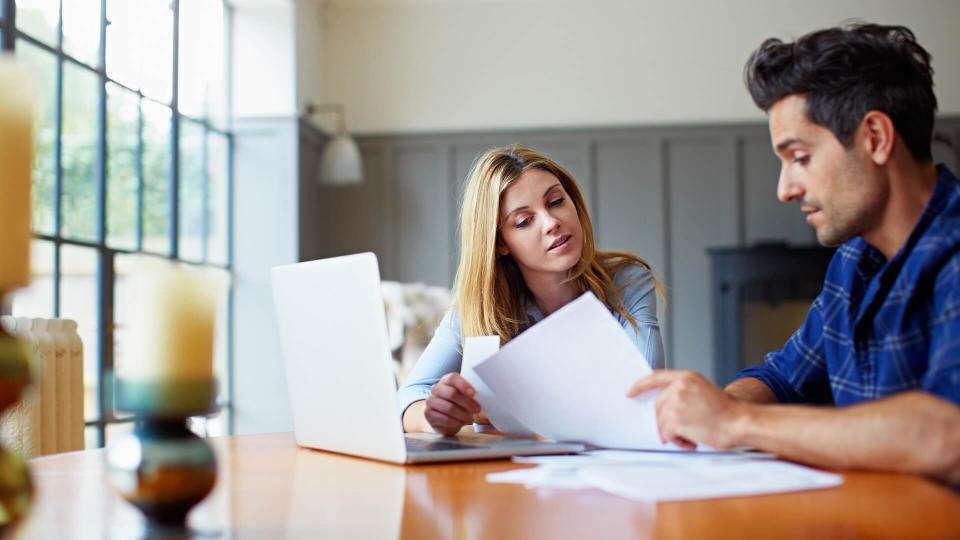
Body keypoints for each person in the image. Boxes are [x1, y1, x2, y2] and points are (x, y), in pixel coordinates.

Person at [627, 23, 960, 484]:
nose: (785, 189)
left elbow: (947, 434)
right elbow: (784, 377)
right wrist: (714, 409)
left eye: (800, 157)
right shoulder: (854, 260)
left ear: (876, 138)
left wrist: (735, 422)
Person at [399, 144, 666, 436]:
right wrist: (435, 416)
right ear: (500, 243)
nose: (552, 223)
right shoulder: (480, 307)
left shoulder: (628, 282)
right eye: (524, 221)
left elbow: (644, 391)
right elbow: (407, 397)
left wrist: (512, 410)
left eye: (555, 201)